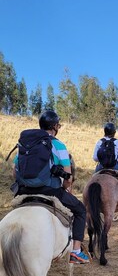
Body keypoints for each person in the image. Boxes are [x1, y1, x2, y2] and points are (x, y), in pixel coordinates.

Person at [13, 110, 89, 264]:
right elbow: (68, 176)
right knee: (81, 210)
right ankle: (76, 251)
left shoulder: (25, 143)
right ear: (55, 126)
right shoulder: (58, 145)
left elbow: (14, 173)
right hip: (50, 190)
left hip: (24, 190)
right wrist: (67, 186)